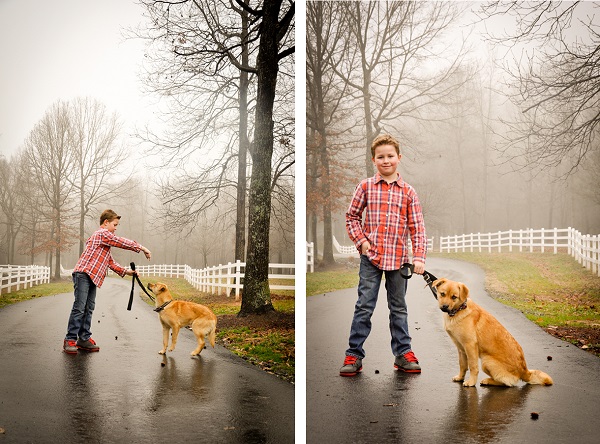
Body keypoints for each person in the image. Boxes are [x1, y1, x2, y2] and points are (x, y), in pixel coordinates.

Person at [340, 134, 427, 376]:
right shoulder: (365, 186)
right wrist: (363, 243)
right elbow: (352, 217)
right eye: (381, 157)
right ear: (373, 160)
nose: (386, 160)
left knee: (398, 307)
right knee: (364, 306)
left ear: (399, 158)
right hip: (371, 259)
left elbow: (417, 227)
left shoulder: (409, 192)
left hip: (399, 260)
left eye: (390, 156)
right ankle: (353, 354)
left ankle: (403, 353)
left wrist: (419, 257)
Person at [63, 209, 152, 354]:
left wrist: (126, 272)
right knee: (79, 308)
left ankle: (83, 338)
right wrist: (142, 248)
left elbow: (109, 261)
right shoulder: (101, 234)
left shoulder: (104, 241)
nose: (116, 228)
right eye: (115, 225)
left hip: (92, 277)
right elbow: (120, 241)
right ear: (106, 223)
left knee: (89, 307)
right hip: (83, 274)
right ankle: (70, 339)